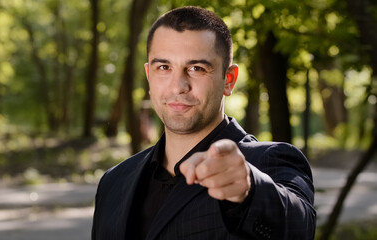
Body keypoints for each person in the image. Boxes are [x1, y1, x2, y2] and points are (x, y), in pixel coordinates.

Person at [92, 6, 315, 240]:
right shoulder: (114, 181)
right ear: (149, 76)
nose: (178, 85)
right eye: (164, 67)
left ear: (228, 80)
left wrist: (250, 190)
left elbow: (298, 228)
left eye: (196, 68)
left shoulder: (267, 162)